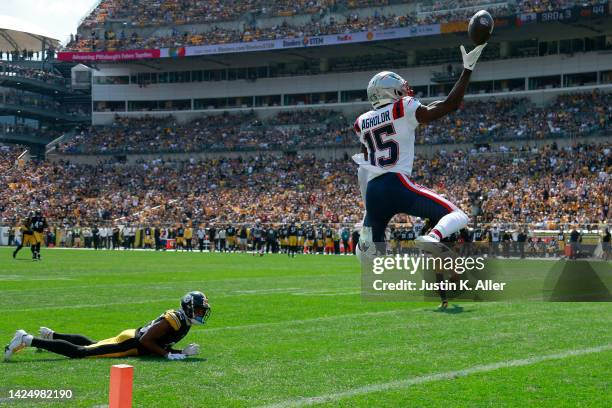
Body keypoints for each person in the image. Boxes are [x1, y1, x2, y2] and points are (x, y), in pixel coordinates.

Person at [353, 43, 487, 258]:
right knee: (457, 215)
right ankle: (432, 237)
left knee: (368, 254)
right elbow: (448, 105)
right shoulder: (402, 107)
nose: (405, 91)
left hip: (374, 191)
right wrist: (467, 69)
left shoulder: (362, 122)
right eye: (400, 88)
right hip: (397, 184)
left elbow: (363, 169)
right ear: (389, 91)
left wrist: (367, 208)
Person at [4, 291, 211, 361]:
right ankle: (27, 339)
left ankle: (52, 335)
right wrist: (169, 355)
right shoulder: (175, 319)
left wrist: (180, 351)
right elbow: (146, 341)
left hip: (131, 337)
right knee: (81, 353)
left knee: (93, 345)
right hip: (131, 342)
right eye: (200, 310)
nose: (201, 313)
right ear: (189, 307)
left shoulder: (183, 321)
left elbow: (157, 342)